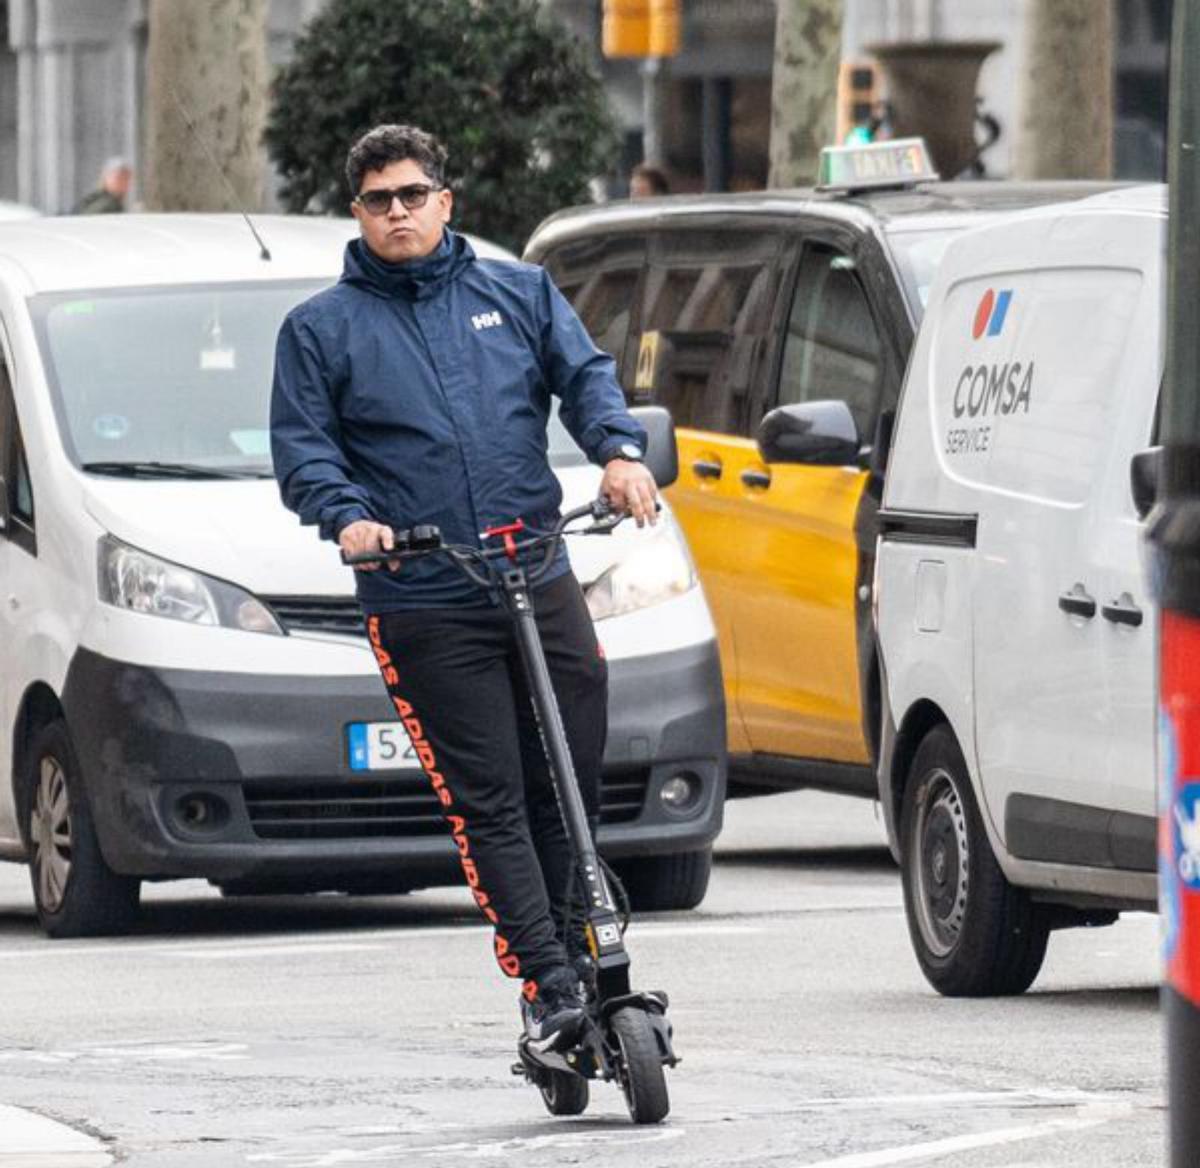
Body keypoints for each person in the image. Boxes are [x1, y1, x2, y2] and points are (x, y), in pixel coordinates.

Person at [270, 124, 658, 1051]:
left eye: (412, 195)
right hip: (423, 591)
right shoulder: (321, 330)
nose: (397, 212)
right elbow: (305, 452)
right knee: (490, 798)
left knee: (568, 774)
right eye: (378, 200)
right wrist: (349, 518)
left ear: (448, 201)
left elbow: (587, 378)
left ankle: (589, 953)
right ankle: (552, 986)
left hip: (536, 565)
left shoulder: (517, 292)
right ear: (358, 214)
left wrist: (618, 454)